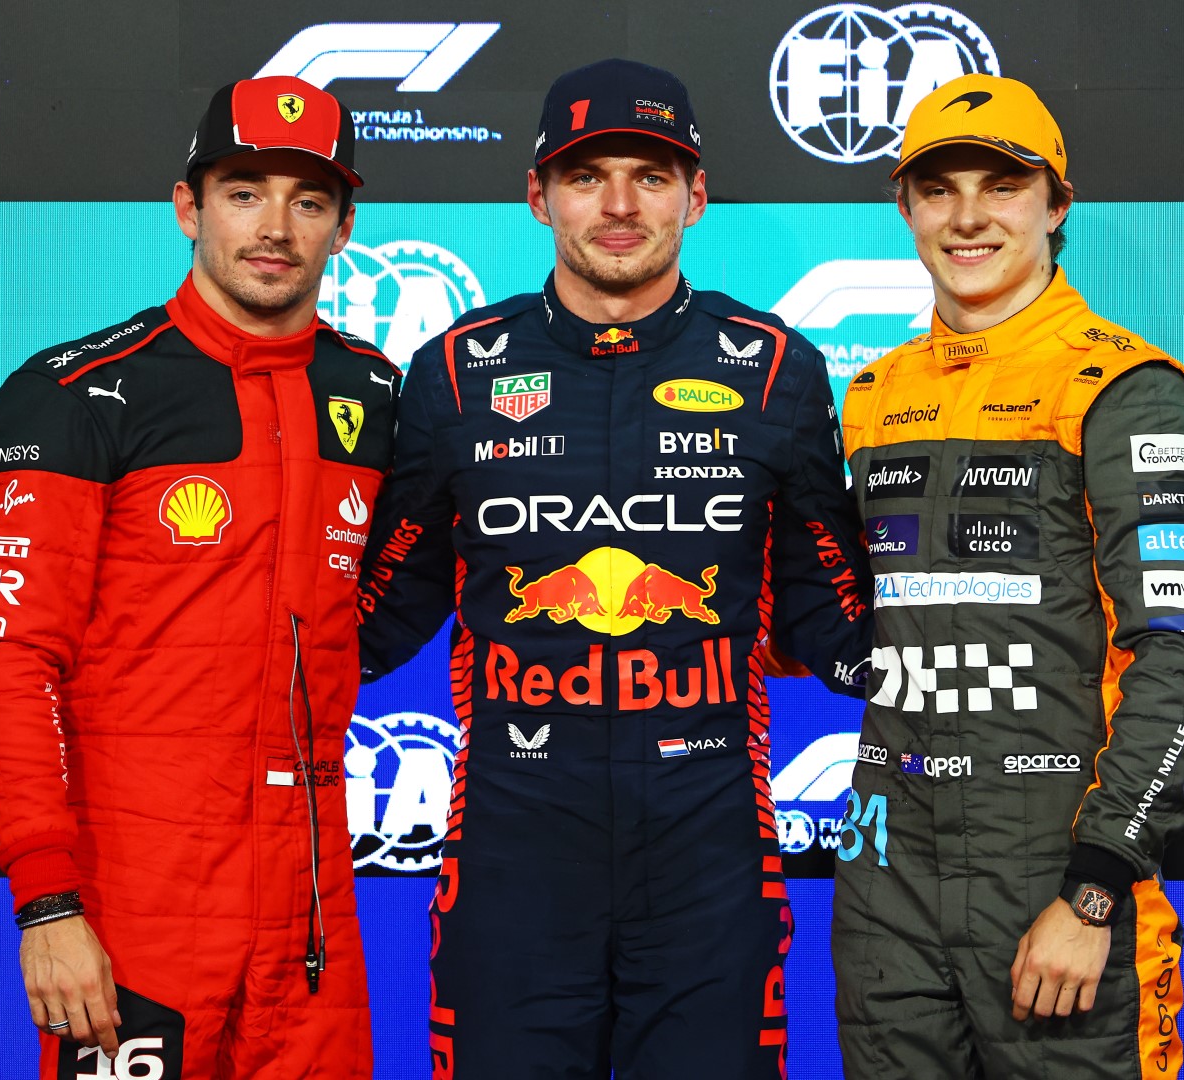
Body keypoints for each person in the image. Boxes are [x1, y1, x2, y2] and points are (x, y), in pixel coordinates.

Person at [356, 58, 870, 1080]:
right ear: (538, 195)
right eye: (589, 175)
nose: (622, 204)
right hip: (512, 844)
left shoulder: (775, 366)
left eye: (652, 172)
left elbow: (831, 612)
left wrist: (979, 652)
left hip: (711, 843)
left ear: (697, 194)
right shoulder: (456, 369)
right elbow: (376, 611)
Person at [0, 76, 399, 1079]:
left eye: (309, 199)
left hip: (314, 906)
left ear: (343, 227)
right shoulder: (73, 393)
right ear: (187, 207)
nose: (275, 226)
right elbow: (10, 663)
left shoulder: (372, 392)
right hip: (137, 902)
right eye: (244, 191)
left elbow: (385, 603)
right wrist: (49, 905)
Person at [831, 73, 1184, 1079]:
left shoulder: (1128, 391)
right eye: (939, 189)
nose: (969, 217)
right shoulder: (874, 396)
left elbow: (1183, 666)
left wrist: (1096, 887)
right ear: (906, 208)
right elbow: (850, 627)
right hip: (887, 885)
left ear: (1057, 205)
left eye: (1002, 185)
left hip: (1056, 883)